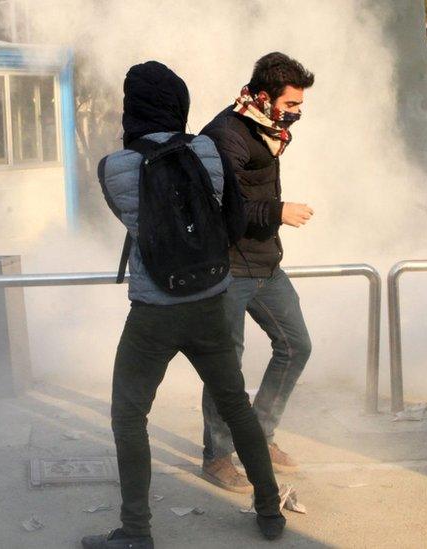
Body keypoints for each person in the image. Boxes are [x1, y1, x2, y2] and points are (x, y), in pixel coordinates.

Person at [81, 61, 285, 549]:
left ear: (132, 109)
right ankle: (271, 511)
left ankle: (136, 533)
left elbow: (132, 223)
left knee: (129, 417)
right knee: (236, 406)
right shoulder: (209, 151)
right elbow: (232, 220)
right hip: (210, 302)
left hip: (153, 314)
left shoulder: (113, 168)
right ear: (179, 103)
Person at [199, 52, 315, 492]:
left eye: (300, 106)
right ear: (264, 97)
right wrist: (278, 210)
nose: (297, 115)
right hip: (229, 268)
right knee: (226, 367)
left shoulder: (269, 129)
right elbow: (221, 205)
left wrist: (272, 218)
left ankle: (261, 436)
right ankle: (218, 456)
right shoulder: (224, 135)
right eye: (292, 105)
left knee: (296, 346)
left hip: (266, 261)